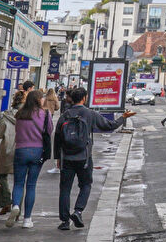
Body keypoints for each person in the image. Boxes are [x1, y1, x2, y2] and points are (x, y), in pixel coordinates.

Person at [54, 86, 134, 230]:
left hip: (66, 157)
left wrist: (57, 157)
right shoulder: (89, 113)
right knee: (85, 184)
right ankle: (78, 211)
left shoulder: (65, 115)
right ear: (84, 98)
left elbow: (58, 137)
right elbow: (109, 126)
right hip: (84, 157)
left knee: (65, 189)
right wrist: (123, 117)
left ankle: (65, 221)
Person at [7, 89, 53, 227]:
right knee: (31, 185)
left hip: (20, 150)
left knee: (18, 183)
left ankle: (15, 205)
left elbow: (16, 131)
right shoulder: (45, 114)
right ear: (39, 99)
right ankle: (27, 219)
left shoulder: (20, 114)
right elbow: (49, 131)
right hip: (37, 151)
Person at [0, 90, 24, 218]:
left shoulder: (6, 115)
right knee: (19, 181)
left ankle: (6, 202)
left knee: (2, 176)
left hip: (7, 148)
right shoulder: (29, 115)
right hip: (22, 147)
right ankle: (17, 208)